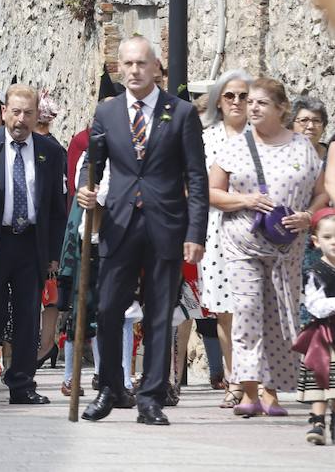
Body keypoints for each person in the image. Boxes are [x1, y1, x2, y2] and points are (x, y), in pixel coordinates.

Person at [79, 36, 208, 426]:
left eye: (141, 64)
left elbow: (197, 178)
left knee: (157, 313)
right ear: (118, 67)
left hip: (165, 225)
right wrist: (87, 190)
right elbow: (96, 165)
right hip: (119, 224)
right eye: (128, 64)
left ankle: (150, 397)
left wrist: (195, 233)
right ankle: (110, 387)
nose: (134, 71)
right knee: (107, 307)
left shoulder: (181, 113)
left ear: (156, 68)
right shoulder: (108, 113)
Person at [207, 77, 327, 417]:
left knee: (278, 315)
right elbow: (213, 192)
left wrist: (308, 215)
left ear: (281, 108)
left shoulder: (301, 146)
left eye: (261, 102)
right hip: (243, 241)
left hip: (287, 247)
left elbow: (321, 193)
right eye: (250, 102)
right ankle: (247, 392)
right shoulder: (235, 146)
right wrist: (245, 199)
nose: (252, 107)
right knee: (246, 311)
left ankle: (271, 392)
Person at [0, 84, 67, 405]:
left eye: (28, 113)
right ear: (4, 112)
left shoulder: (50, 153)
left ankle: (21, 384)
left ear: (37, 116)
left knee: (26, 316)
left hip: (29, 244)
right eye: (16, 112)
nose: (21, 120)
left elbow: (57, 209)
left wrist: (52, 255)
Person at [199, 68, 252, 408]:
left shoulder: (261, 135)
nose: (236, 102)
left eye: (243, 96)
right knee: (225, 312)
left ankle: (257, 382)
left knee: (256, 309)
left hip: (256, 230)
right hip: (217, 228)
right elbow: (202, 189)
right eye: (229, 95)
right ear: (219, 100)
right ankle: (234, 379)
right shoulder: (207, 139)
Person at [296, 208, 335, 445]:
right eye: (328, 237)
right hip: (323, 333)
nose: (334, 242)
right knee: (321, 378)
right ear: (316, 241)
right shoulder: (314, 271)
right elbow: (315, 305)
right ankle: (317, 421)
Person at [293, 97, 330, 161]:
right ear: (291, 125)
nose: (311, 126)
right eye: (304, 120)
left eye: (316, 120)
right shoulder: (282, 155)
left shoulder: (331, 154)